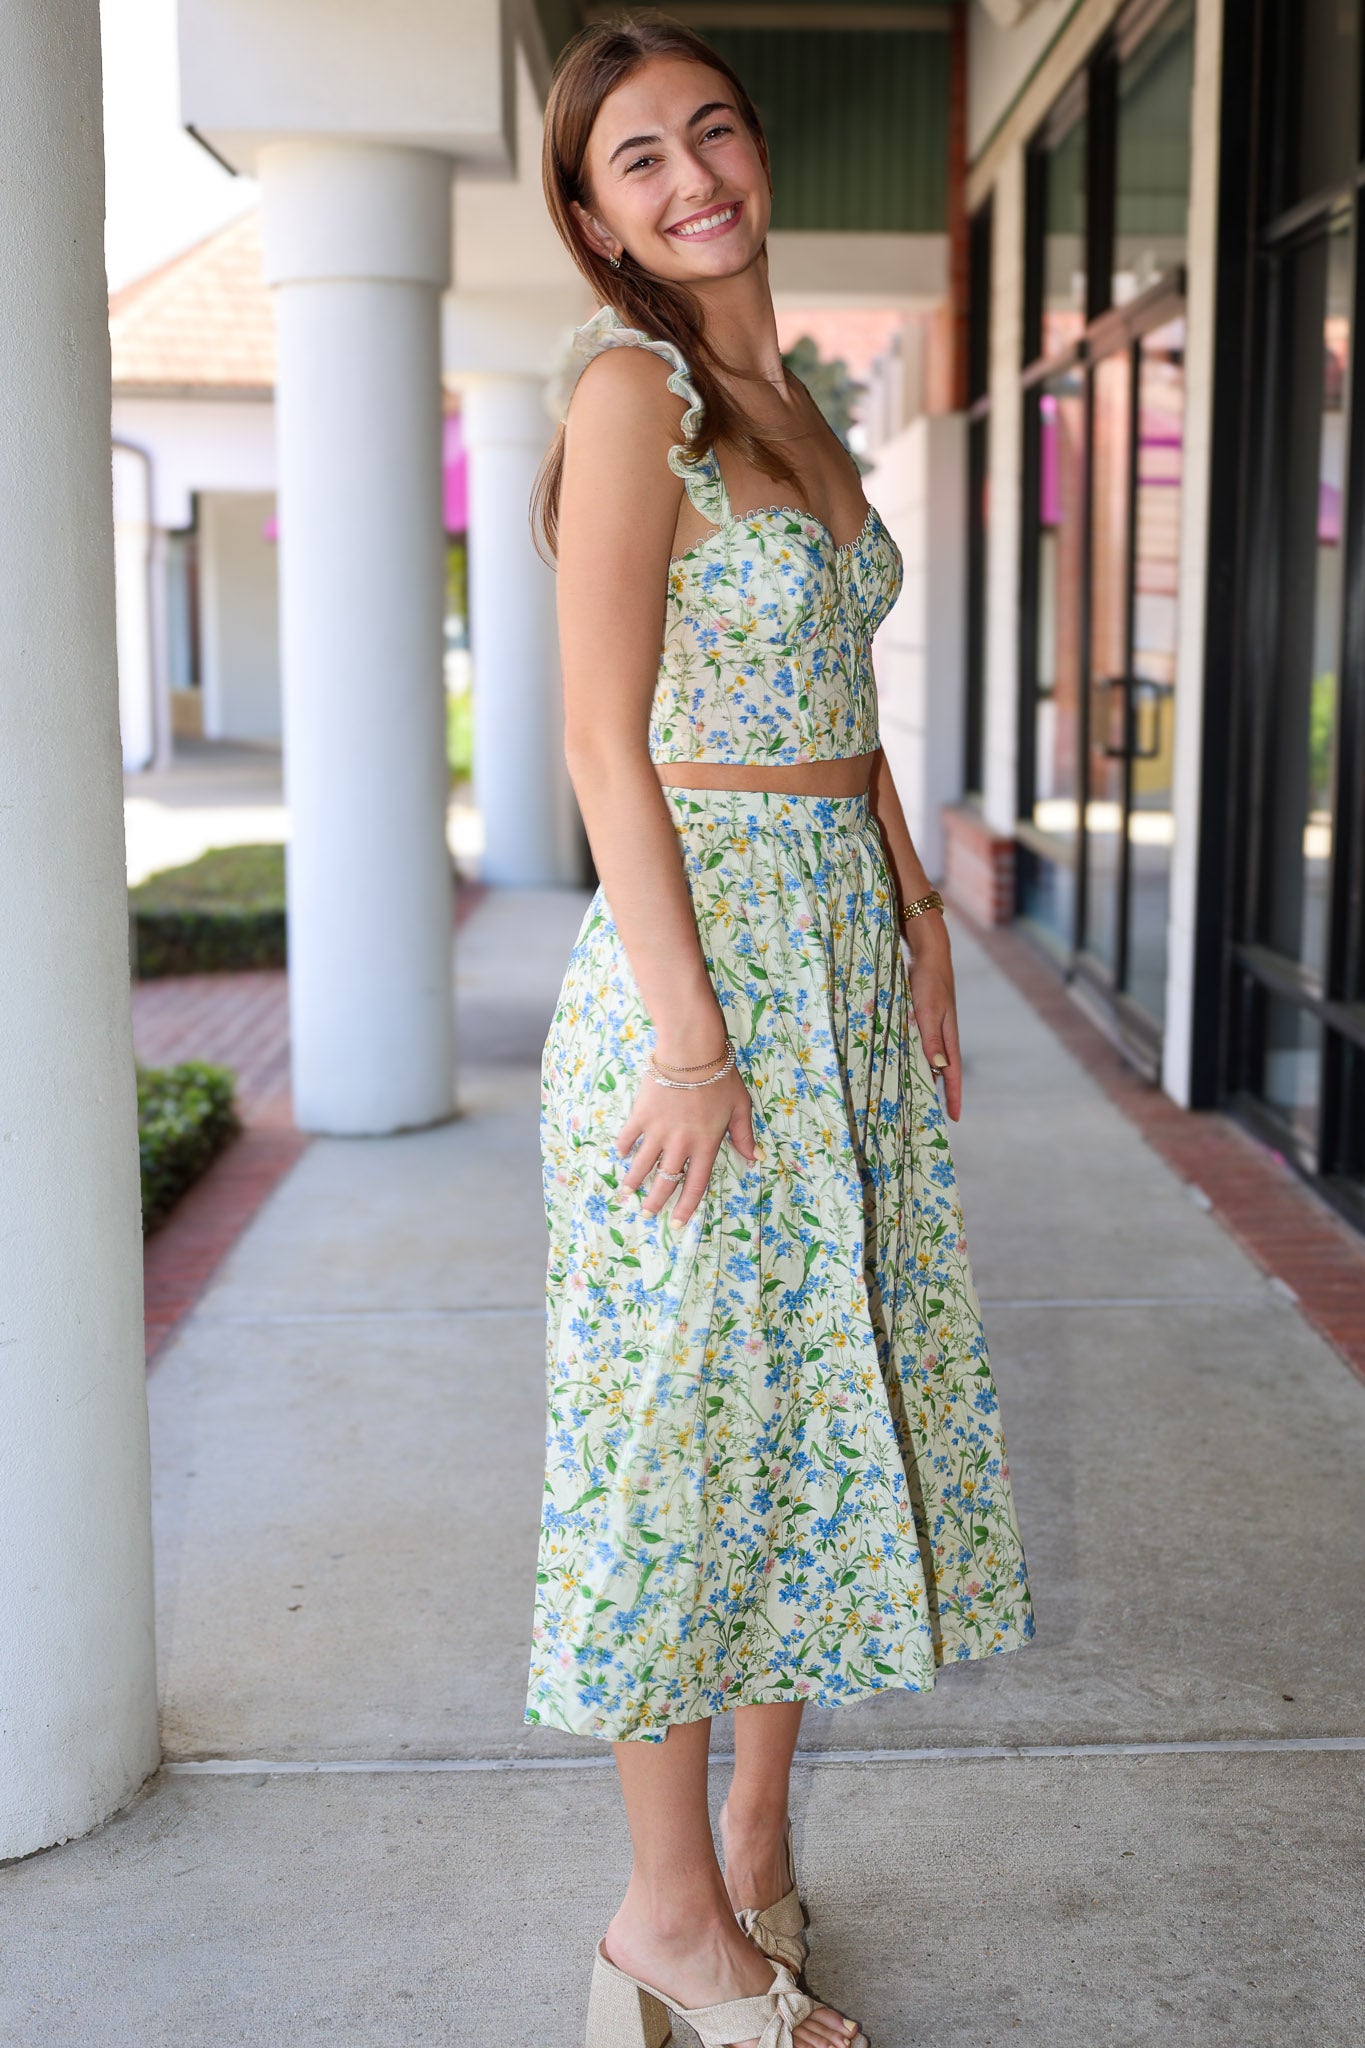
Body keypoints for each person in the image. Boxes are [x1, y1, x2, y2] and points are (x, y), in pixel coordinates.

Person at [524, 18, 1035, 2047]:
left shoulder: (789, 397)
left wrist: (912, 907)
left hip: (834, 946)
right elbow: (595, 735)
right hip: (702, 984)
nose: (689, 176)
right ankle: (660, 1918)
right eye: (634, 159)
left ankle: (748, 1850)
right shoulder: (627, 393)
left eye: (707, 130)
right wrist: (691, 1038)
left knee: (813, 1419)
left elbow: (844, 691)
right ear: (592, 217)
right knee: (674, 1439)